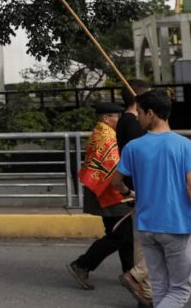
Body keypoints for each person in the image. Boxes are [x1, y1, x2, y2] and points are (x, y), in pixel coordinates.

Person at [112, 89, 191, 308]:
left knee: (160, 287)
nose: (136, 117)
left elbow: (116, 182)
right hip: (175, 225)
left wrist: (130, 193)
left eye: (139, 112)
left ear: (151, 113)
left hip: (146, 225)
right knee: (180, 290)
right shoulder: (186, 146)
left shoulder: (133, 147)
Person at [67, 102, 135, 292]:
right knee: (119, 235)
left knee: (124, 234)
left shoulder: (101, 132)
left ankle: (130, 273)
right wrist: (126, 189)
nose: (120, 120)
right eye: (117, 117)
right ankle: (82, 264)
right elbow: (115, 168)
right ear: (106, 118)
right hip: (110, 192)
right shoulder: (106, 136)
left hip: (105, 190)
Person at [116, 79, 154, 307]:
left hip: (137, 188)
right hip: (139, 189)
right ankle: (141, 284)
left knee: (144, 243)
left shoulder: (126, 121)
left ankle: (147, 291)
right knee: (145, 245)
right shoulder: (131, 124)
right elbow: (138, 160)